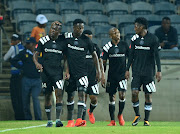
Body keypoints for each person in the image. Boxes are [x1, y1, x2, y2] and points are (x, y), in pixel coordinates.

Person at [64, 19, 101, 127]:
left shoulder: (86, 40)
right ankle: (70, 120)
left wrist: (99, 71)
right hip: (71, 73)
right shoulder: (68, 39)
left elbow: (95, 56)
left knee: (82, 95)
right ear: (74, 27)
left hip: (82, 72)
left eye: (82, 28)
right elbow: (66, 57)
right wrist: (66, 71)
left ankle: (79, 119)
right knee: (70, 97)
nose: (80, 30)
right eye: (79, 27)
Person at [125, 17, 162, 126]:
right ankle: (137, 115)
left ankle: (146, 119)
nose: (134, 28)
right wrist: (127, 69)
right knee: (134, 93)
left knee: (148, 95)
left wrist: (159, 70)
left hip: (149, 72)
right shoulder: (134, 39)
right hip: (136, 71)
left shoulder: (153, 39)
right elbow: (131, 55)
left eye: (136, 25)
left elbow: (157, 56)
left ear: (142, 27)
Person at [33, 21, 66, 127]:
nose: (52, 31)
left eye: (55, 29)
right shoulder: (43, 40)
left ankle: (58, 120)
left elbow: (66, 58)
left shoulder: (62, 42)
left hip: (58, 73)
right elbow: (35, 54)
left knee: (59, 94)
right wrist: (37, 63)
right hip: (46, 73)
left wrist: (67, 71)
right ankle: (49, 120)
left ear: (59, 32)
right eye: (52, 28)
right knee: (47, 96)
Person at [102, 28, 129, 126]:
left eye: (117, 32)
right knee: (112, 97)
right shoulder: (107, 47)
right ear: (110, 36)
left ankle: (120, 115)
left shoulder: (124, 45)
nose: (117, 34)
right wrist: (102, 75)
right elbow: (103, 62)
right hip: (112, 76)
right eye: (114, 33)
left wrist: (128, 70)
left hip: (122, 75)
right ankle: (112, 120)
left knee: (122, 95)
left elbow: (130, 58)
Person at [10, 37, 42, 120]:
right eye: (26, 43)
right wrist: (21, 67)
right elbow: (13, 60)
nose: (27, 45)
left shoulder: (39, 53)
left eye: (29, 43)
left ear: (34, 44)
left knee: (35, 98)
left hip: (37, 79)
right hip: (26, 79)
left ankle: (38, 118)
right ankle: (28, 118)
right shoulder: (23, 53)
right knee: (25, 100)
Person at [81, 30, 105, 125]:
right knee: (83, 98)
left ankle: (90, 112)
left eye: (90, 37)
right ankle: (82, 120)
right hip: (82, 75)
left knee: (93, 98)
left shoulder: (95, 47)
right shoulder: (80, 46)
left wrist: (102, 74)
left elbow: (100, 61)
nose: (88, 38)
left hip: (93, 76)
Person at [3, 33, 25, 120]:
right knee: (21, 96)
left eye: (14, 40)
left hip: (15, 76)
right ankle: (22, 115)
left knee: (15, 96)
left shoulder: (13, 48)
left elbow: (5, 58)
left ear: (18, 41)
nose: (12, 41)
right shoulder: (23, 48)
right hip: (22, 76)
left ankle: (18, 116)